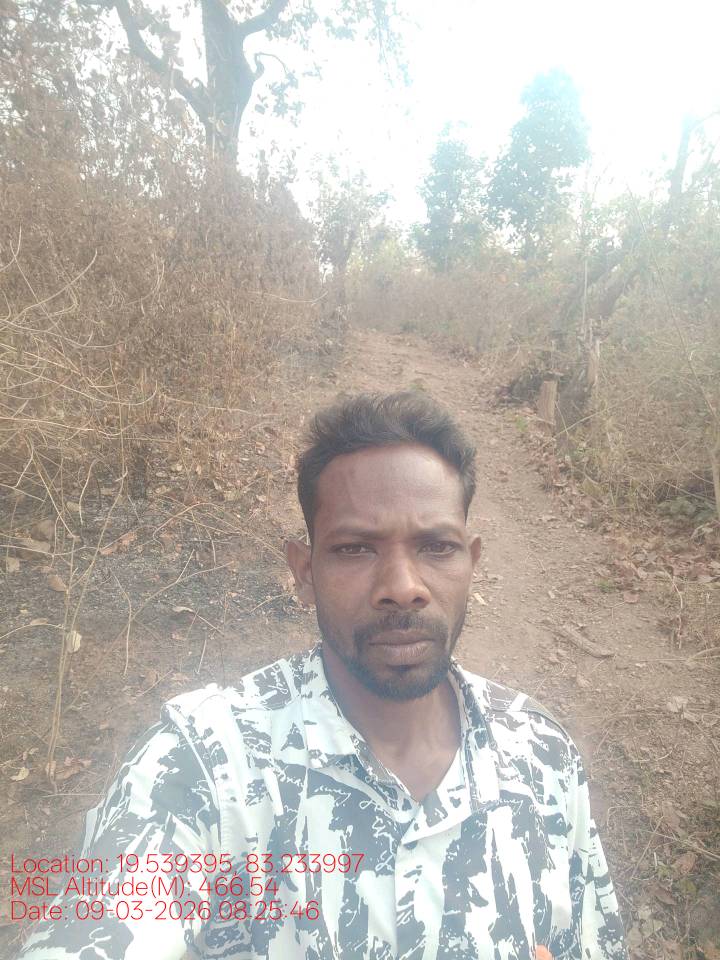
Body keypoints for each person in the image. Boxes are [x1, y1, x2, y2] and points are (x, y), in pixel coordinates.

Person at [17, 391, 626, 960]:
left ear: (472, 562)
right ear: (304, 572)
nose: (402, 587)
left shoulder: (542, 756)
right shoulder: (205, 763)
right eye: (355, 548)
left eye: (437, 547)